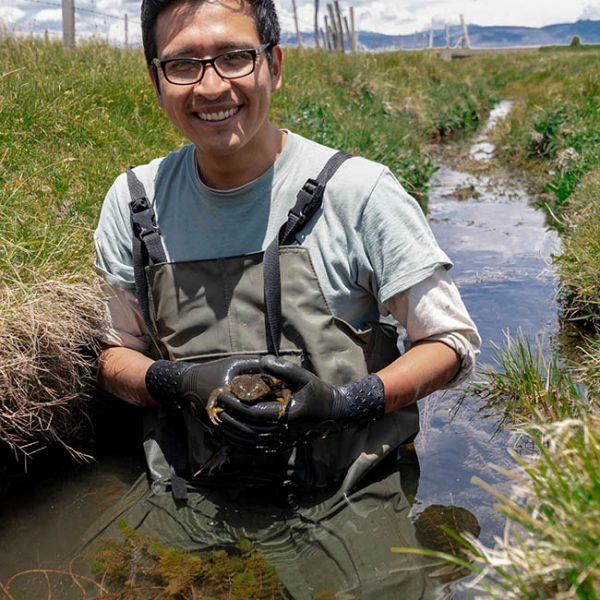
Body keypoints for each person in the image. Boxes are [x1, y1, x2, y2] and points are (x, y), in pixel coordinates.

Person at [92, 0, 481, 595]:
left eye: (234, 57)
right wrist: (178, 385)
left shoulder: (361, 192)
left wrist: (347, 403)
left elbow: (452, 345)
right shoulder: (133, 201)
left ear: (273, 64)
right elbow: (116, 356)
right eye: (183, 65)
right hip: (191, 492)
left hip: (345, 492)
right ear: (156, 81)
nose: (211, 85)